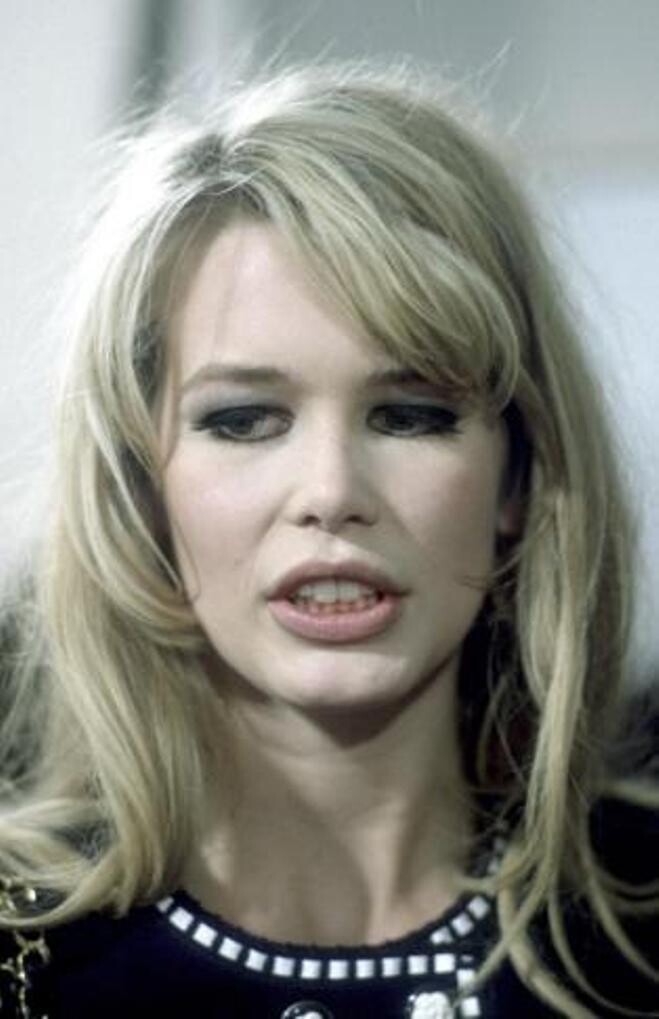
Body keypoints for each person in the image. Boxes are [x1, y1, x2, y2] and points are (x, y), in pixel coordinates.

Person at [0, 60, 657, 1018]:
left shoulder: (637, 922)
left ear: (518, 472)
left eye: (409, 415)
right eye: (243, 420)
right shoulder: (26, 954)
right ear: (143, 486)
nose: (331, 494)